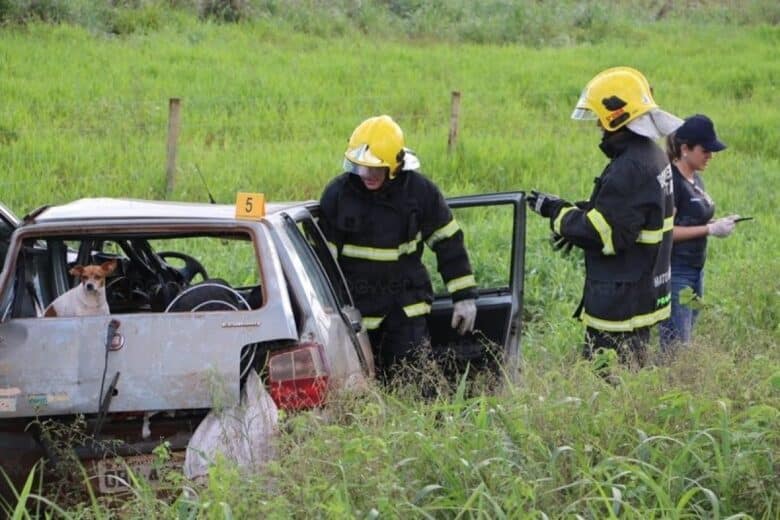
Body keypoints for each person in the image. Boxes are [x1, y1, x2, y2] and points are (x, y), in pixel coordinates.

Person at [526, 66, 680, 370]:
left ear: (617, 115)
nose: (597, 123)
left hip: (622, 304)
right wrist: (582, 213)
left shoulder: (630, 167)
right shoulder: (653, 155)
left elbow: (604, 234)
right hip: (644, 291)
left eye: (601, 116)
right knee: (631, 380)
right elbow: (629, 215)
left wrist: (557, 213)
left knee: (610, 383)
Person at [318, 115, 478, 383]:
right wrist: (324, 309)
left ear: (395, 165)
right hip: (356, 315)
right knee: (359, 390)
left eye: (375, 169)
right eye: (360, 167)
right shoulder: (338, 194)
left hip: (405, 310)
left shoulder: (420, 192)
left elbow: (448, 241)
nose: (366, 175)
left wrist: (464, 297)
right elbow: (323, 259)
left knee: (414, 387)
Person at [658, 114, 738, 351]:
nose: (710, 156)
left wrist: (718, 222)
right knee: (676, 346)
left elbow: (690, 219)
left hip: (696, 269)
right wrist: (710, 229)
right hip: (677, 273)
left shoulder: (695, 179)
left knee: (686, 338)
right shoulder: (672, 181)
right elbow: (667, 231)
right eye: (705, 150)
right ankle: (670, 385)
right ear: (685, 149)